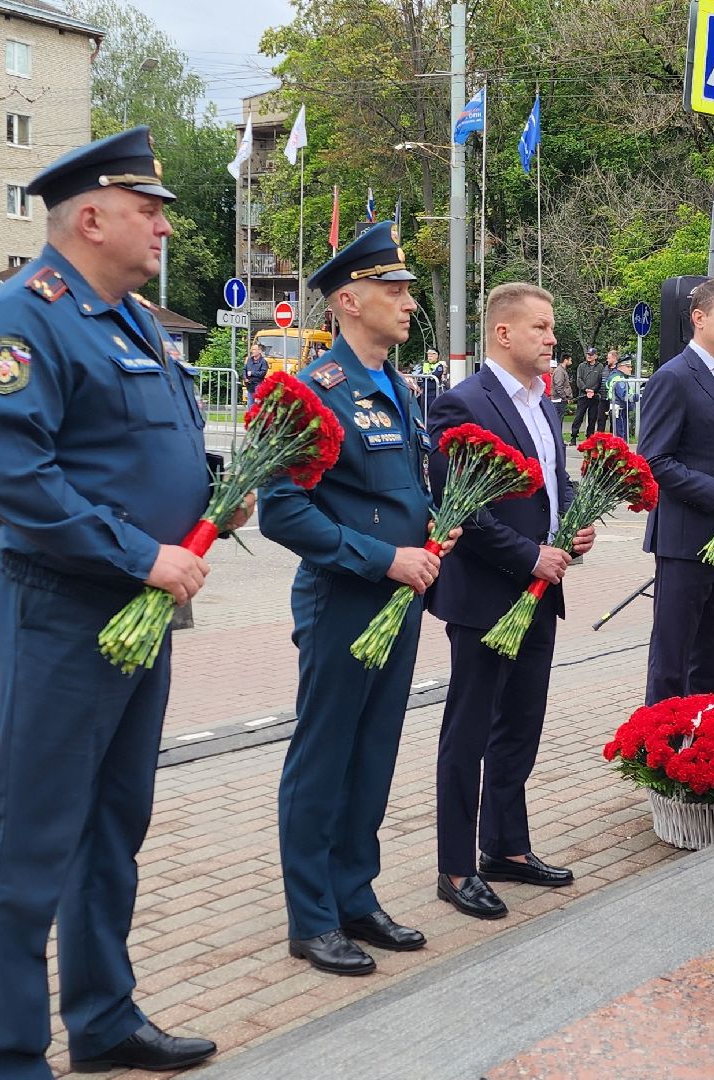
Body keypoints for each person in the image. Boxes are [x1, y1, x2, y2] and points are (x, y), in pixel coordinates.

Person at [0, 126, 222, 1079]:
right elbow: (12, 475)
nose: (162, 227)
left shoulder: (134, 320)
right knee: (33, 844)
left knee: (115, 825)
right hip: (60, 610)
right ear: (90, 215)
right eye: (149, 211)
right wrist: (142, 552)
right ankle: (12, 1056)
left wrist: (212, 502)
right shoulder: (20, 318)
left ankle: (103, 1017)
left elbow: (152, 446)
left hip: (137, 613)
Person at [257, 220, 449, 977]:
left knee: (372, 753)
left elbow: (400, 491)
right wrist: (384, 558)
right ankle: (312, 917)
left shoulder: (398, 388)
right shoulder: (310, 392)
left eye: (406, 288)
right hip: (345, 598)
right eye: (392, 289)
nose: (408, 302)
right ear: (347, 300)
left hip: (400, 599)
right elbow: (283, 511)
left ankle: (355, 895)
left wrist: (436, 531)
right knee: (324, 754)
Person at [426, 282, 594, 922]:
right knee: (467, 733)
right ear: (503, 333)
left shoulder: (543, 405)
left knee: (520, 725)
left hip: (539, 593)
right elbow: (459, 508)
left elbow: (554, 478)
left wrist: (573, 522)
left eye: (552, 329)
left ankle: (505, 847)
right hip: (486, 595)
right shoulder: (459, 404)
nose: (554, 339)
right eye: (543, 328)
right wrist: (530, 555)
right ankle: (455, 865)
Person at [637, 278, 714, 705]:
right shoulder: (675, 377)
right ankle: (661, 748)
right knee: (674, 656)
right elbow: (653, 461)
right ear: (699, 319)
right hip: (687, 540)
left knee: (712, 653)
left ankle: (702, 743)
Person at [570, 346, 608, 439]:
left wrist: (593, 390)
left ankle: (589, 437)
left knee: (592, 417)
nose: (589, 356)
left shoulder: (600, 367)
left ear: (595, 356)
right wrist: (586, 389)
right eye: (588, 354)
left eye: (591, 355)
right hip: (583, 395)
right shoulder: (582, 366)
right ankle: (574, 436)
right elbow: (579, 379)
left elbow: (600, 380)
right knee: (579, 416)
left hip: (594, 396)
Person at [608, 355, 636, 440]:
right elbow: (624, 395)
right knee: (621, 436)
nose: (630, 369)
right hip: (619, 409)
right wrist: (635, 397)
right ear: (621, 367)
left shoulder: (619, 376)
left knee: (621, 435)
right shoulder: (618, 378)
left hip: (619, 409)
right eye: (628, 367)